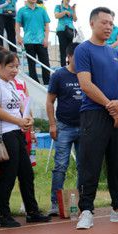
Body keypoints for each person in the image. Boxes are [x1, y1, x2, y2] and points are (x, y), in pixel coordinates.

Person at [74, 6, 118, 229]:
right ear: (92, 23)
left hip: (116, 113)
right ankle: (87, 210)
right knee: (90, 162)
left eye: (111, 23)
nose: (109, 27)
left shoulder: (114, 53)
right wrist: (110, 106)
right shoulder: (84, 50)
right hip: (93, 114)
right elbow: (86, 83)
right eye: (104, 22)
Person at [0, 50, 50, 228]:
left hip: (18, 132)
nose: (14, 70)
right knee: (8, 175)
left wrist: (27, 119)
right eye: (10, 66)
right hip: (5, 134)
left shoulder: (11, 84)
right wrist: (19, 120)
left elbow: (21, 106)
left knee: (27, 174)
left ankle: (32, 212)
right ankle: (3, 215)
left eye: (17, 67)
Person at [46, 41, 82, 216]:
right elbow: (49, 101)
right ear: (69, 56)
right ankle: (55, 203)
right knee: (60, 165)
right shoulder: (59, 75)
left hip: (85, 128)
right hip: (64, 127)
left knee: (84, 166)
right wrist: (52, 124)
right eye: (78, 55)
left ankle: (83, 202)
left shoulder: (87, 75)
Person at [16, 0, 51, 85]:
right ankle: (35, 82)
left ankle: (47, 82)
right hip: (28, 41)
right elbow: (17, 24)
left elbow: (47, 25)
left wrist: (46, 38)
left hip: (41, 40)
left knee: (45, 63)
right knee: (31, 64)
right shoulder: (22, 10)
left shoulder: (42, 10)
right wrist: (18, 36)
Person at [54, 0, 77, 67]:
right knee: (63, 49)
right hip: (62, 30)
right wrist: (65, 12)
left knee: (70, 49)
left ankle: (70, 65)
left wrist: (74, 10)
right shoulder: (58, 7)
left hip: (70, 31)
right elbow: (56, 16)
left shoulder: (71, 8)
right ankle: (63, 67)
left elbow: (75, 19)